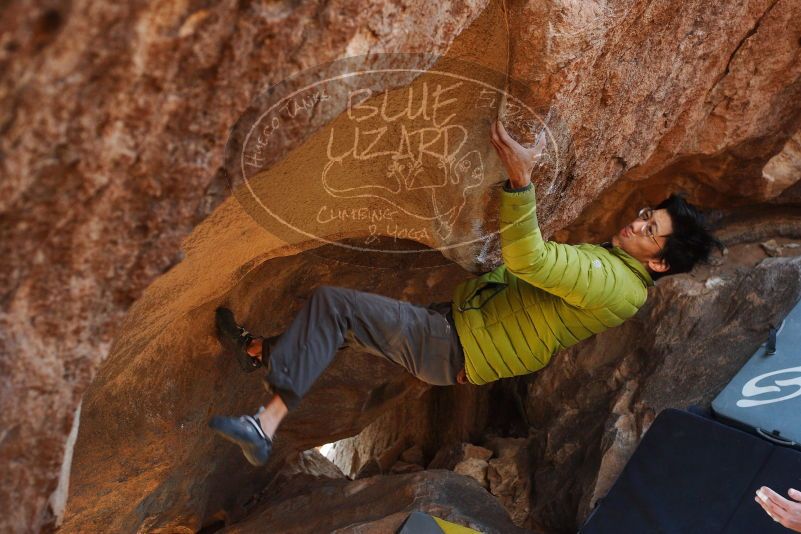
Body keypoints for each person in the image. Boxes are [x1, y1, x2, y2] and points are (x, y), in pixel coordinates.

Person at [209, 119, 724, 466]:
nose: (637, 224)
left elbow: (530, 259)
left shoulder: (615, 284)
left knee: (334, 305)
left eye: (650, 229)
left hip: (453, 344)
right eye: (644, 214)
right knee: (342, 327)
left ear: (657, 262)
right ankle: (260, 353)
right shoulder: (615, 268)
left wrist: (520, 181)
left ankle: (263, 424)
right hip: (461, 332)